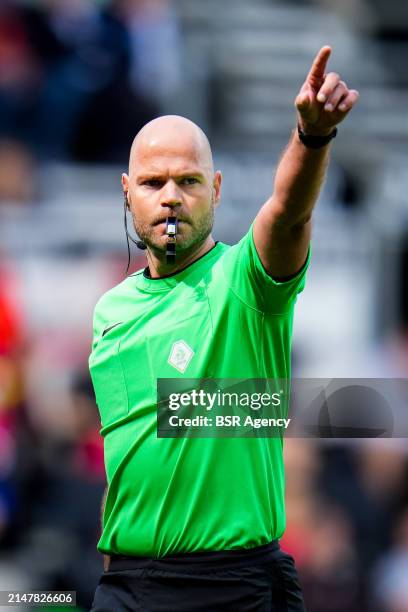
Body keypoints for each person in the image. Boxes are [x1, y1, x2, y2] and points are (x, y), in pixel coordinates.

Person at [89, 46, 359, 611]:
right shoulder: (110, 311)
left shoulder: (244, 281)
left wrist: (312, 138)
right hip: (128, 586)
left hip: (232, 587)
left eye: (187, 181)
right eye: (152, 182)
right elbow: (128, 462)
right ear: (127, 191)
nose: (169, 196)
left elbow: (288, 211)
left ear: (214, 189)